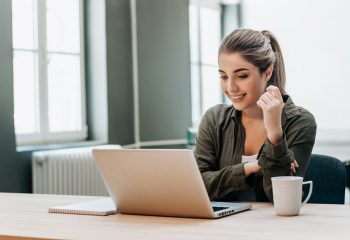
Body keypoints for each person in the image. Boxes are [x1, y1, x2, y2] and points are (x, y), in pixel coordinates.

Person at [194, 29, 317, 202]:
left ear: (267, 72)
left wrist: (275, 134)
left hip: (276, 227)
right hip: (219, 225)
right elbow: (197, 186)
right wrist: (250, 167)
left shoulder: (300, 122)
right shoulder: (214, 119)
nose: (230, 87)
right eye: (223, 76)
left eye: (242, 76)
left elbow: (281, 197)